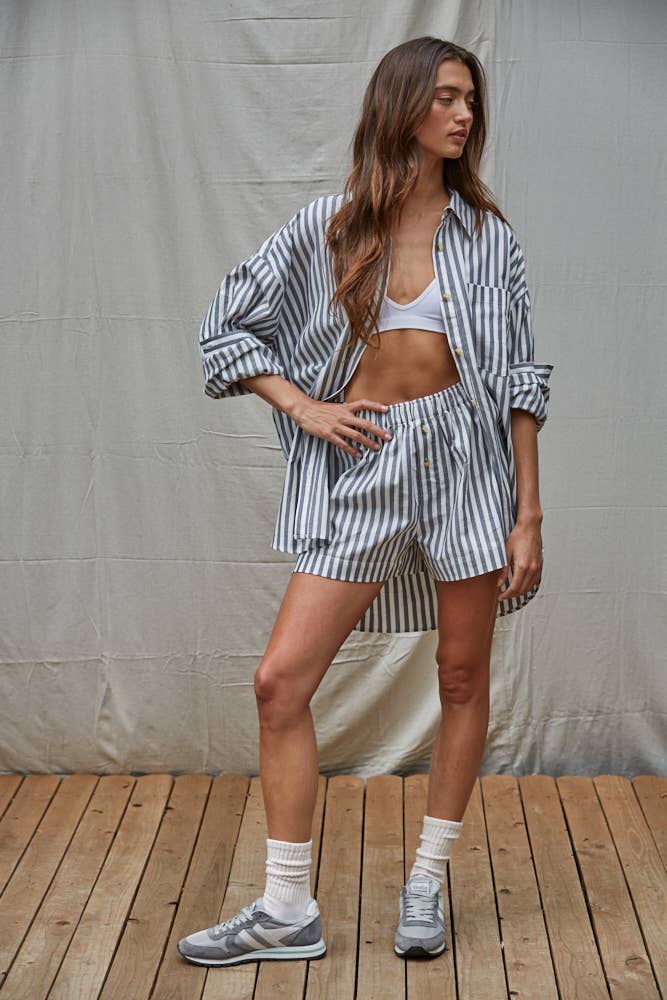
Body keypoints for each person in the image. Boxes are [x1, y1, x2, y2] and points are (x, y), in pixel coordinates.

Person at [178, 36, 554, 968]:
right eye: (446, 97)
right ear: (401, 107)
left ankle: (425, 879)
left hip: (467, 466)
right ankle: (285, 908)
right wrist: (304, 406)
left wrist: (528, 515)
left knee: (461, 679)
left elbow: (519, 381)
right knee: (280, 683)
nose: (463, 114)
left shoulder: (490, 238)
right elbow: (228, 327)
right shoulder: (332, 226)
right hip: (368, 460)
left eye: (470, 99)